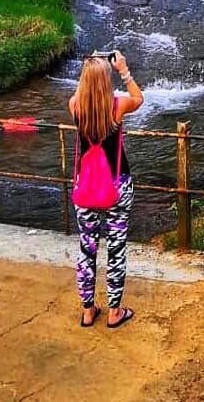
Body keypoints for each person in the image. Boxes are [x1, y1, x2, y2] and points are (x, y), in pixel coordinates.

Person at [68, 51, 143, 329]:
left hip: (85, 187)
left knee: (86, 248)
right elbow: (139, 97)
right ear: (106, 81)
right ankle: (114, 312)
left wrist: (88, 71)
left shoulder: (75, 105)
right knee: (116, 247)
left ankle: (88, 311)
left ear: (85, 81)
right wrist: (123, 69)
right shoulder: (118, 106)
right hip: (117, 185)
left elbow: (81, 93)